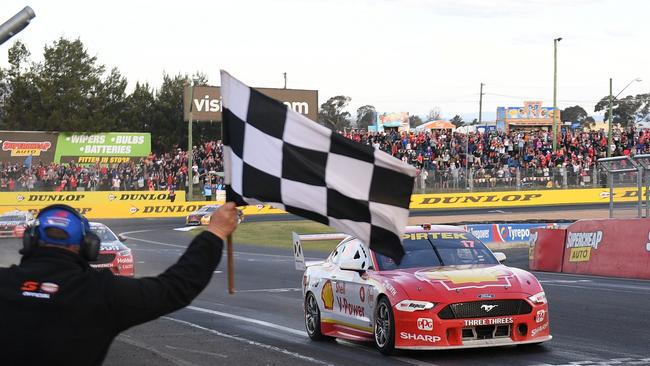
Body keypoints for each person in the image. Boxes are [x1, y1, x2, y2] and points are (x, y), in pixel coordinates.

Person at [0, 202, 239, 365]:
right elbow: (177, 287)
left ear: (30, 241)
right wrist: (215, 231)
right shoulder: (103, 293)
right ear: (88, 247)